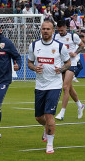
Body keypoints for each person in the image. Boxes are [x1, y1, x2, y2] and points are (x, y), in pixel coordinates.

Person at [27, 20, 71, 153]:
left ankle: (50, 145)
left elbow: (68, 63)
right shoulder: (34, 45)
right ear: (41, 30)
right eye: (43, 29)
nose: (45, 31)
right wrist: (34, 68)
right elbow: (29, 62)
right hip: (40, 85)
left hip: (54, 85)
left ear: (53, 31)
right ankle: (47, 127)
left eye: (48, 29)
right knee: (38, 117)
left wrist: (61, 69)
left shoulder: (60, 47)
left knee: (49, 114)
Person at [52, 20, 85, 121]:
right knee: (69, 88)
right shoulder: (55, 37)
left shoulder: (73, 36)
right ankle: (80, 105)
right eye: (59, 30)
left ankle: (62, 113)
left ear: (65, 28)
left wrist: (75, 53)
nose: (60, 32)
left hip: (72, 63)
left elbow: (82, 45)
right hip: (62, 65)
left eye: (62, 30)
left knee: (65, 87)